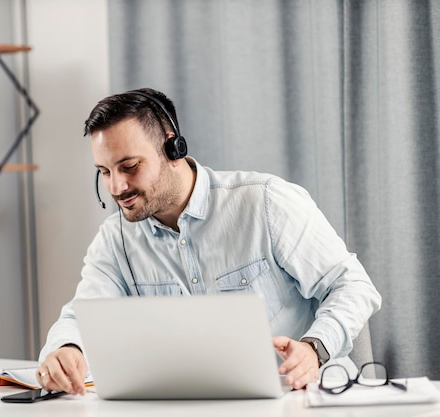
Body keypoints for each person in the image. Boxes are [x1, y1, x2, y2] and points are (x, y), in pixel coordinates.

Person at [35, 87, 381, 396]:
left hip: (300, 398)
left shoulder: (265, 202)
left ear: (172, 147)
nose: (116, 188)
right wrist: (68, 349)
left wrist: (314, 348)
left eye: (129, 166)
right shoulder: (116, 239)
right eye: (104, 172)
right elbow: (83, 316)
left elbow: (353, 286)